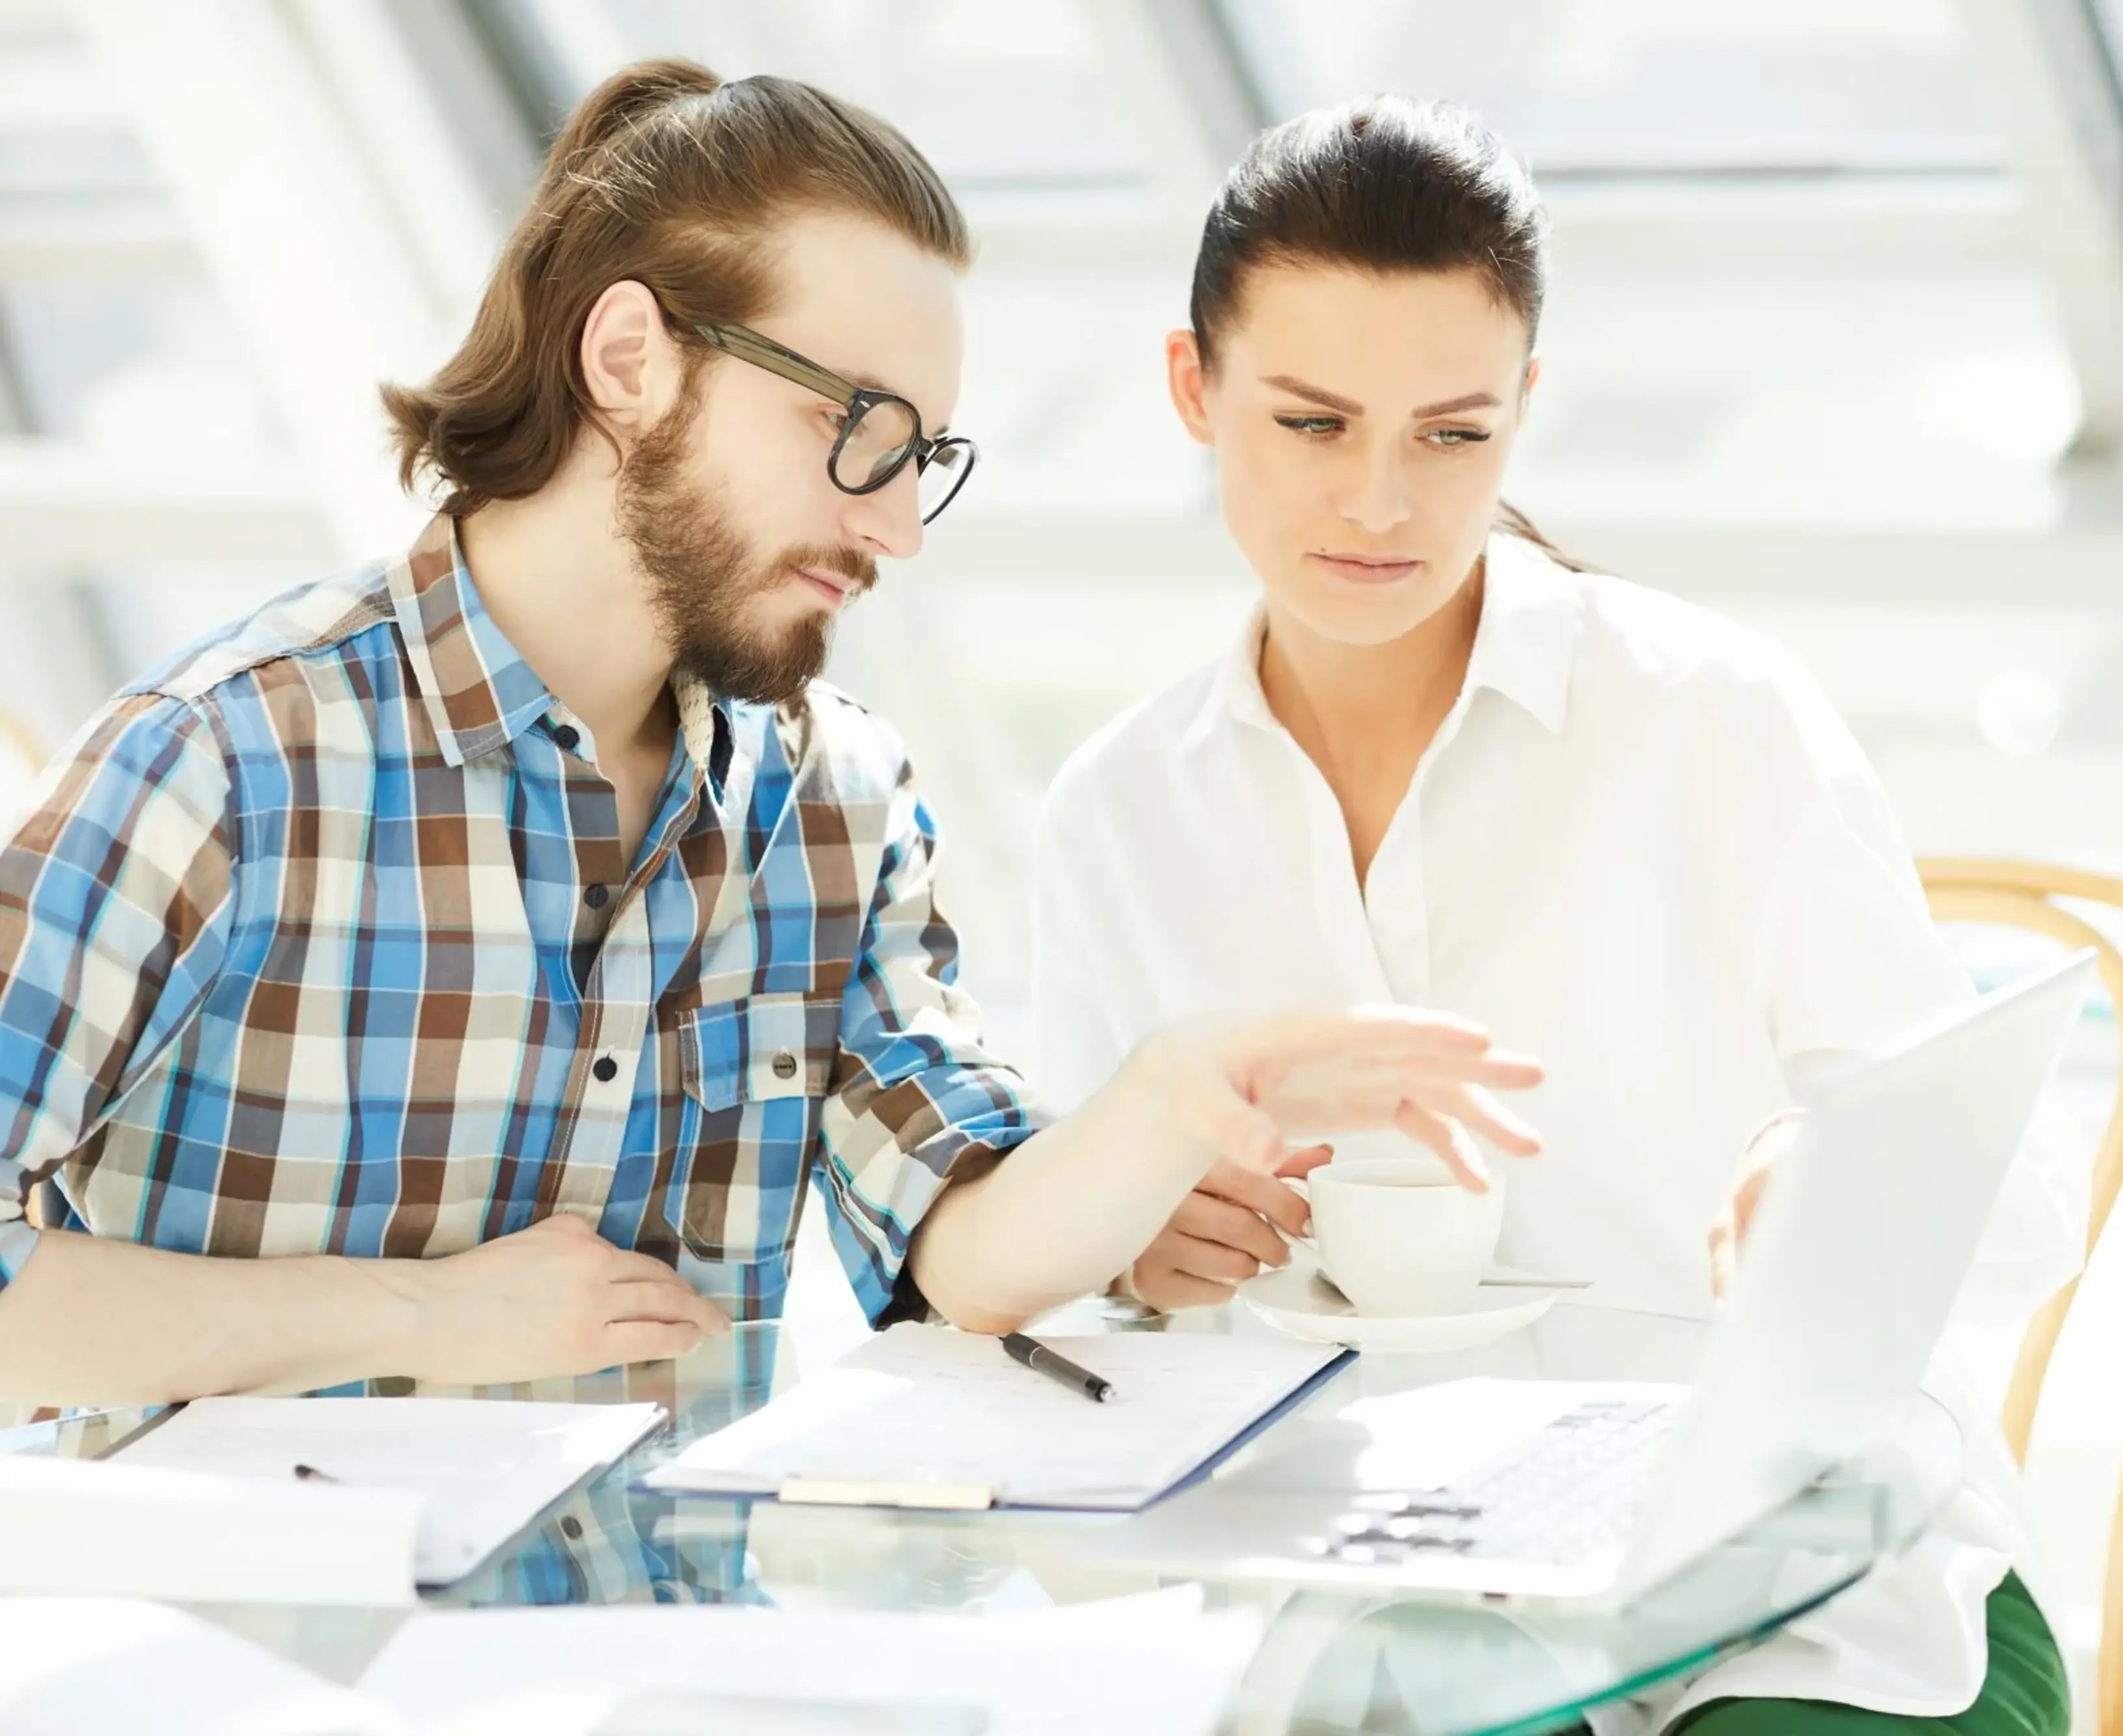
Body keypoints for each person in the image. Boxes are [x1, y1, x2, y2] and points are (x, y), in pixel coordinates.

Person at [0, 62, 1542, 1412]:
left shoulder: (833, 805)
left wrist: (1168, 1095)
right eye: (853, 428)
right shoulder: (225, 764)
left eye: (919, 456)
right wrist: (416, 1316)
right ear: (628, 362)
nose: (894, 527)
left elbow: (961, 1252)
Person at [1027, 99, 2083, 1736]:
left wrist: (1839, 1168)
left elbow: (2012, 1197)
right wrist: (1144, 1251)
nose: (1380, 502)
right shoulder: (1117, 815)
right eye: (1310, 423)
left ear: (1525, 408)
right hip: (1363, 1626)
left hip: (1808, 1613)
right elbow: (1076, 1314)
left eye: (1450, 433)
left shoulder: (1709, 713)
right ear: (1193, 389)